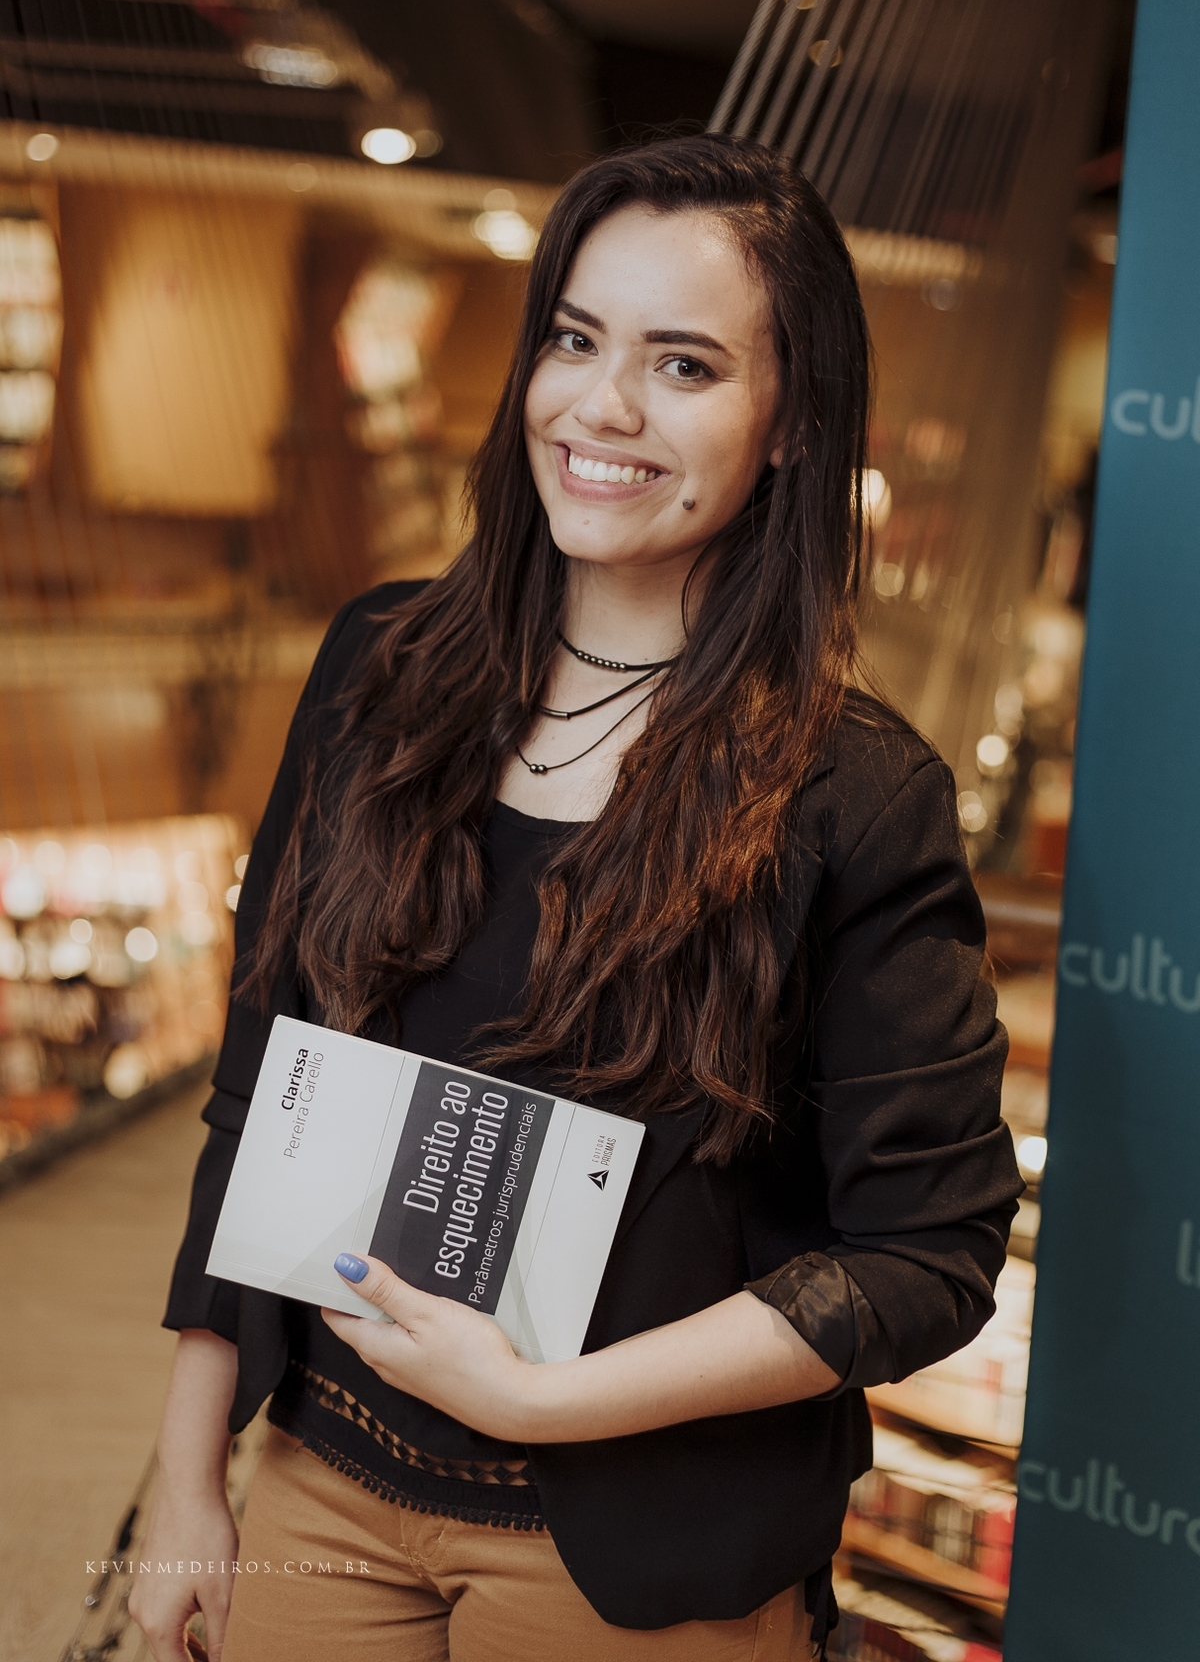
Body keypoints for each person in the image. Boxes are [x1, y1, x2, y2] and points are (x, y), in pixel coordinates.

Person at [130, 134, 1022, 1662]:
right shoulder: (381, 669)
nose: (601, 408)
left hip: (629, 1553)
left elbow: (923, 1255)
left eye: (684, 364)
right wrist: (187, 1470)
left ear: (790, 419)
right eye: (575, 339)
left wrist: (538, 1399)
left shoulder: (854, 795)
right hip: (324, 1483)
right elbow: (258, 1079)